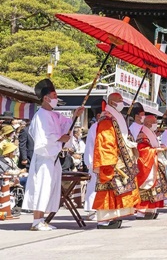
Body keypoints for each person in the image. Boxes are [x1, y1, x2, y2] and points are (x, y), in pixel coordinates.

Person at [22, 79, 83, 231]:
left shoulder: (54, 115)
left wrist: (75, 115)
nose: (56, 98)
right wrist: (59, 138)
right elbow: (43, 138)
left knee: (49, 187)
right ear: (46, 98)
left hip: (53, 157)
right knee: (41, 186)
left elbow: (67, 124)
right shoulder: (40, 115)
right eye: (54, 95)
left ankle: (42, 219)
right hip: (44, 157)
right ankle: (37, 221)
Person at [93, 92, 141, 229]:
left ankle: (113, 216)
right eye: (120, 100)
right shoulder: (106, 118)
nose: (122, 103)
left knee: (118, 190)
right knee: (108, 189)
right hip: (112, 159)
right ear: (113, 103)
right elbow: (105, 141)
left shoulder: (116, 116)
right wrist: (109, 161)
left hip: (121, 157)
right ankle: (104, 220)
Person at [134, 114, 167, 219]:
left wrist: (159, 147)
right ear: (148, 123)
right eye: (154, 122)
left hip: (154, 164)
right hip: (147, 165)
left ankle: (150, 210)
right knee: (146, 188)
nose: (156, 125)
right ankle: (141, 212)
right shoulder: (142, 135)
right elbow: (142, 150)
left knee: (154, 189)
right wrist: (155, 150)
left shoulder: (151, 133)